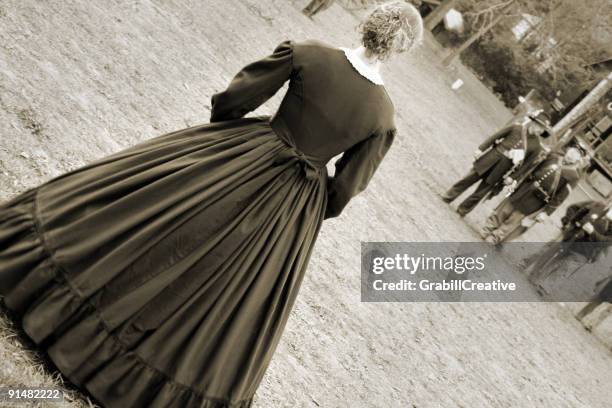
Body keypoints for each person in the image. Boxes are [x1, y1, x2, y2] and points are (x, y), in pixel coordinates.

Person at [0, 2, 423, 407]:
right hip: (295, 203)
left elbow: (234, 100)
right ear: (401, 49)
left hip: (248, 152)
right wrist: (310, 206)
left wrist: (222, 144)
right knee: (228, 288)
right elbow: (346, 189)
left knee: (159, 224)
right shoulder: (383, 117)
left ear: (367, 25)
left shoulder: (308, 54)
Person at [441, 112, 548, 216]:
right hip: (491, 157)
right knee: (467, 180)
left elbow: (526, 166)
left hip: (503, 168)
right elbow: (495, 137)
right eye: (539, 126)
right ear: (533, 123)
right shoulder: (516, 127)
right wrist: (481, 149)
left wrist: (512, 177)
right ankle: (448, 196)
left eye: (542, 129)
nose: (540, 130)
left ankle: (462, 210)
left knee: (480, 193)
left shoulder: (537, 147)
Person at [482, 147, 583, 244]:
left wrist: (547, 213)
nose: (572, 155)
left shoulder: (574, 176)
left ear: (578, 159)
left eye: (576, 154)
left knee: (514, 221)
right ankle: (487, 229)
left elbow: (560, 197)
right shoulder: (553, 157)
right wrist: (517, 182)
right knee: (503, 211)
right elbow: (533, 169)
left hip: (536, 201)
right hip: (524, 189)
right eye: (572, 151)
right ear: (568, 150)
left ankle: (494, 238)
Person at [525, 199, 612, 291]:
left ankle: (544, 287)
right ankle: (536, 277)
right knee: (554, 258)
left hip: (585, 251)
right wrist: (571, 222)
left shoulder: (607, 220)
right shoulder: (598, 205)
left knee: (566, 267)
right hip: (571, 239)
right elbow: (578, 211)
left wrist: (592, 232)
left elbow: (606, 242)